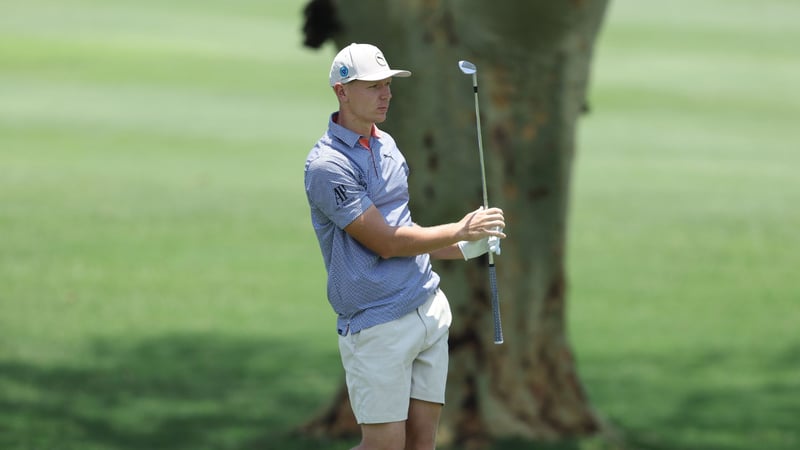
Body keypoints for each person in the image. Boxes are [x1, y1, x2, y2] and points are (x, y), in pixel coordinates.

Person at [304, 43, 506, 450]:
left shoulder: (387, 146)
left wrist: (471, 247)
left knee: (420, 444)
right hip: (377, 323)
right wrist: (460, 230)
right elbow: (385, 243)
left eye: (388, 85)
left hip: (427, 309)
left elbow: (406, 231)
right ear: (342, 91)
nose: (386, 94)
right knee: (385, 446)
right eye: (374, 86)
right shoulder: (328, 166)